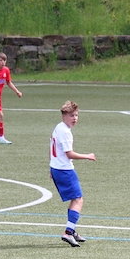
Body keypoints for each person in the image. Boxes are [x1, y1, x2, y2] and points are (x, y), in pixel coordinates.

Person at [50, 100, 96, 246]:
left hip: (57, 168)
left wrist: (51, 167)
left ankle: (72, 229)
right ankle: (68, 232)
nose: (74, 118)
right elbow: (69, 154)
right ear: (64, 116)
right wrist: (87, 156)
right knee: (78, 200)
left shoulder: (59, 127)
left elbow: (53, 147)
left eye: (76, 115)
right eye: (71, 115)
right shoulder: (65, 132)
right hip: (64, 170)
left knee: (74, 199)